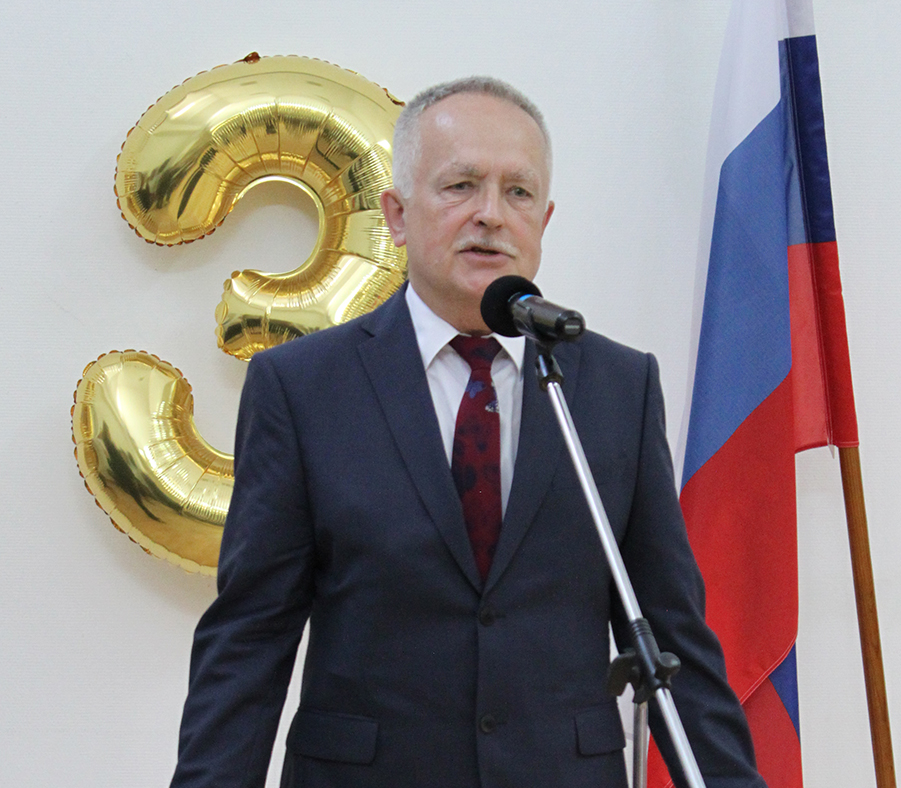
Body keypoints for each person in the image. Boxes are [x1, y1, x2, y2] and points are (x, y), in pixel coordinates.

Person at [170, 77, 766, 788]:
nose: (491, 215)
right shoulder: (303, 388)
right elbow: (250, 638)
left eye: (518, 193)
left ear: (544, 219)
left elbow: (671, 633)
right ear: (397, 214)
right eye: (460, 186)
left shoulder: (615, 387)